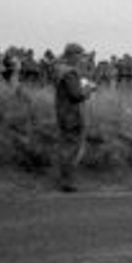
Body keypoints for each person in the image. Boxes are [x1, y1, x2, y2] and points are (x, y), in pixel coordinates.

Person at [53, 42, 95, 192]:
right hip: (71, 114)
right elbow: (76, 95)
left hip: (62, 112)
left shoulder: (60, 70)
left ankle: (64, 180)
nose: (82, 58)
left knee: (66, 146)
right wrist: (88, 90)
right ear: (72, 55)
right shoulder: (70, 73)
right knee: (71, 148)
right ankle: (67, 182)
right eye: (80, 54)